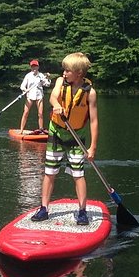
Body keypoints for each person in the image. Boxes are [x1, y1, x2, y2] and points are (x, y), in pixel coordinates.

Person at [32, 52, 98, 224]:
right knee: (50, 172)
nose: (63, 73)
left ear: (78, 73)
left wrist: (92, 148)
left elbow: (94, 121)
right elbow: (53, 97)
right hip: (56, 132)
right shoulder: (60, 82)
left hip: (77, 136)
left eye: (67, 70)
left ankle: (82, 211)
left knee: (78, 174)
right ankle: (44, 208)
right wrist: (56, 105)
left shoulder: (90, 93)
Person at [17, 58, 51, 134]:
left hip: (39, 96)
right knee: (25, 112)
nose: (34, 68)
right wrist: (25, 90)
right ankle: (21, 130)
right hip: (30, 96)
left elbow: (47, 84)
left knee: (40, 113)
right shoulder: (28, 76)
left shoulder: (41, 76)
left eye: (35, 66)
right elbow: (22, 86)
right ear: (31, 67)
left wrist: (48, 78)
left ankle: (41, 130)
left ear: (38, 67)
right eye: (32, 66)